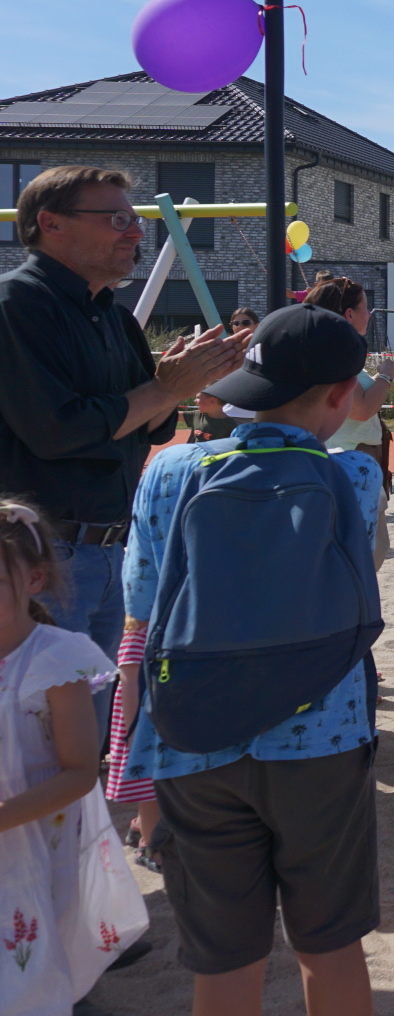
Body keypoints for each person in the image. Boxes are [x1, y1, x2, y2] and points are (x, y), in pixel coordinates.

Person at [120, 304, 381, 1015]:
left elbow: (142, 609)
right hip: (322, 733)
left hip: (193, 736)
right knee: (329, 946)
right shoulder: (355, 476)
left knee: (225, 962)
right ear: (339, 394)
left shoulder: (170, 471)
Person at [0, 166, 245, 735]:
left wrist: (182, 383)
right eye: (116, 219)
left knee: (85, 739)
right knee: (37, 742)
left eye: (135, 219)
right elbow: (57, 431)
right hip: (41, 560)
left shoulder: (111, 315)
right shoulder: (16, 306)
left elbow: (150, 429)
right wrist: (164, 389)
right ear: (50, 224)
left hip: (112, 552)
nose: (135, 232)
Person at [0, 497, 147, 1015]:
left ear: (34, 581)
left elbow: (81, 772)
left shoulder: (55, 659)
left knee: (39, 955)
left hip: (42, 838)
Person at [307, 276, 394, 566]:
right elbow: (360, 409)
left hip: (348, 456)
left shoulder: (326, 348)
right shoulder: (336, 352)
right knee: (365, 554)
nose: (369, 313)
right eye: (365, 306)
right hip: (350, 460)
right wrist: (385, 376)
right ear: (349, 314)